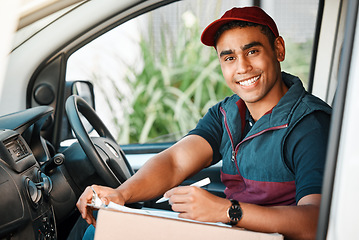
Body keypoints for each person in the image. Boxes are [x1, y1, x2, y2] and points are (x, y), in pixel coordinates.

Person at [74, 6, 331, 240]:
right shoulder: (228, 113)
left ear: (279, 49)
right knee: (97, 229)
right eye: (229, 57)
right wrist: (122, 194)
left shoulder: (309, 125)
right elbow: (175, 162)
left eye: (252, 51)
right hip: (235, 232)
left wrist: (228, 211)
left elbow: (317, 222)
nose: (242, 67)